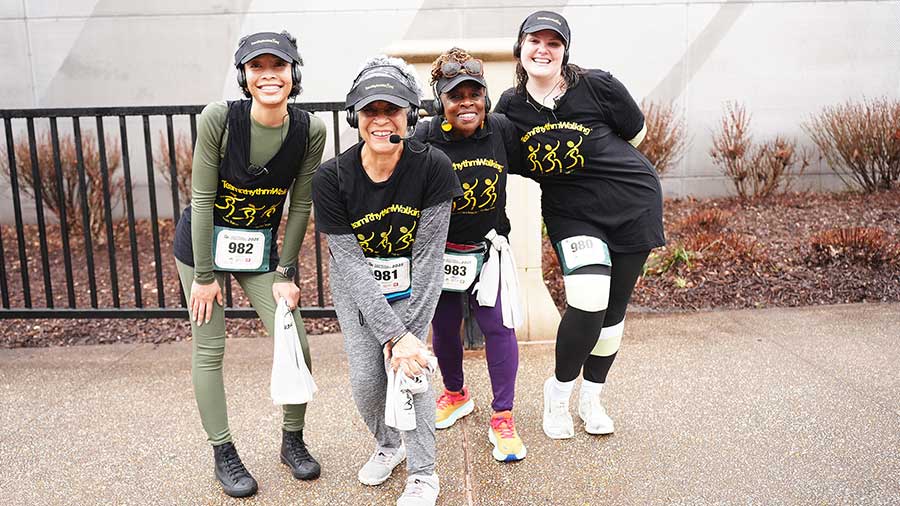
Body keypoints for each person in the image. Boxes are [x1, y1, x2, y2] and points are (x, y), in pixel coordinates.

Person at [494, 11, 665, 440]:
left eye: (553, 43)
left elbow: (636, 135)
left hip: (632, 204)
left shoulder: (597, 85)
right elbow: (500, 159)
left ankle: (592, 398)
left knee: (613, 313)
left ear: (565, 51)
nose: (543, 50)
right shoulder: (510, 108)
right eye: (535, 41)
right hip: (572, 215)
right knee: (588, 301)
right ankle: (558, 394)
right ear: (520, 47)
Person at [172, 30, 325, 497]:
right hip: (202, 246)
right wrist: (204, 277)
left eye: (278, 65)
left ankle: (292, 440)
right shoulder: (219, 119)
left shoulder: (309, 131)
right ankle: (223, 451)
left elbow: (301, 206)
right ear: (244, 75)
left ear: (293, 73)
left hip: (257, 250)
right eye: (257, 66)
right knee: (209, 349)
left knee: (296, 343)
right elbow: (202, 199)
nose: (268, 75)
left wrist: (286, 272)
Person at [312, 56, 460, 506]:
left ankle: (424, 474)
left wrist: (407, 338)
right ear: (354, 116)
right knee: (367, 383)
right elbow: (351, 265)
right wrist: (393, 336)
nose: (381, 120)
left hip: (413, 289)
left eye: (392, 109)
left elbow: (430, 258)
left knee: (412, 374)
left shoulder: (433, 167)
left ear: (409, 115)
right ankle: (389, 444)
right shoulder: (331, 177)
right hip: (358, 294)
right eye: (370, 110)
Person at [413, 48, 526, 462]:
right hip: (441, 252)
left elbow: (537, 155)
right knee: (445, 329)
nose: (466, 103)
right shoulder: (425, 136)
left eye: (474, 94)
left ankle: (503, 416)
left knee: (499, 327)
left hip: (489, 248)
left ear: (485, 97)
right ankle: (456, 393)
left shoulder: (499, 129)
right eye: (455, 96)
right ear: (440, 101)